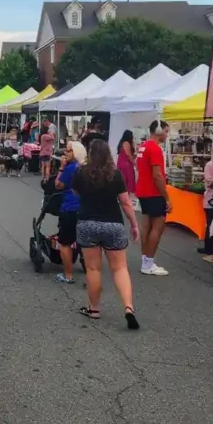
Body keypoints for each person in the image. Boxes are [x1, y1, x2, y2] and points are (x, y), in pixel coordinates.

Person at [72, 139, 140, 329]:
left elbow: (75, 193)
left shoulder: (81, 173)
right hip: (113, 224)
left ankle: (94, 308)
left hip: (88, 223)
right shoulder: (116, 175)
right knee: (120, 268)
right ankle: (128, 307)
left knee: (93, 269)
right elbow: (126, 203)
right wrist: (134, 225)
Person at [136, 120, 171, 277]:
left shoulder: (142, 146)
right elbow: (157, 175)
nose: (167, 134)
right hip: (154, 192)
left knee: (146, 226)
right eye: (165, 131)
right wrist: (167, 197)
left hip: (143, 191)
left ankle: (146, 260)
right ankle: (148, 263)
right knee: (158, 227)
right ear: (158, 130)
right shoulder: (155, 148)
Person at [54, 140, 87, 284]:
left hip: (69, 208)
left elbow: (58, 185)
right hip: (84, 209)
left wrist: (61, 168)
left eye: (68, 150)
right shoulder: (85, 168)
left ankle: (68, 275)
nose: (65, 153)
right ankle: (90, 275)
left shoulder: (70, 168)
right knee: (85, 242)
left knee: (65, 243)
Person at [116, 130, 136, 199]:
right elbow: (128, 155)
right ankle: (126, 197)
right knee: (128, 180)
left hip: (121, 163)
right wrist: (134, 162)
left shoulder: (122, 143)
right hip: (126, 165)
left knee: (123, 180)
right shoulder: (126, 143)